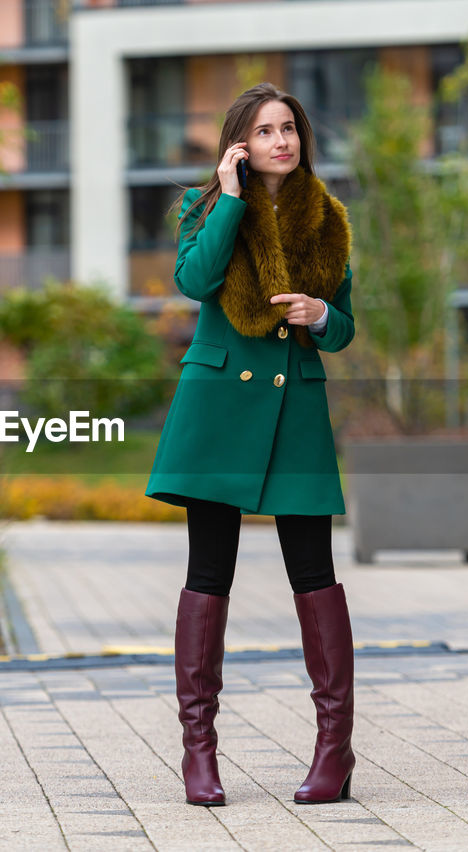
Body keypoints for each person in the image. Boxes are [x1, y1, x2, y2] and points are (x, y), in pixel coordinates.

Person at [145, 82, 357, 807]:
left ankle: (336, 750)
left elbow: (347, 324)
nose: (281, 140)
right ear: (241, 142)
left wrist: (322, 311)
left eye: (289, 128)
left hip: (291, 405)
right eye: (265, 130)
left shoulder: (328, 219)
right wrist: (230, 196)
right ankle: (197, 754)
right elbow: (194, 279)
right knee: (208, 572)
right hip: (219, 410)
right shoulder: (205, 208)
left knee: (314, 573)